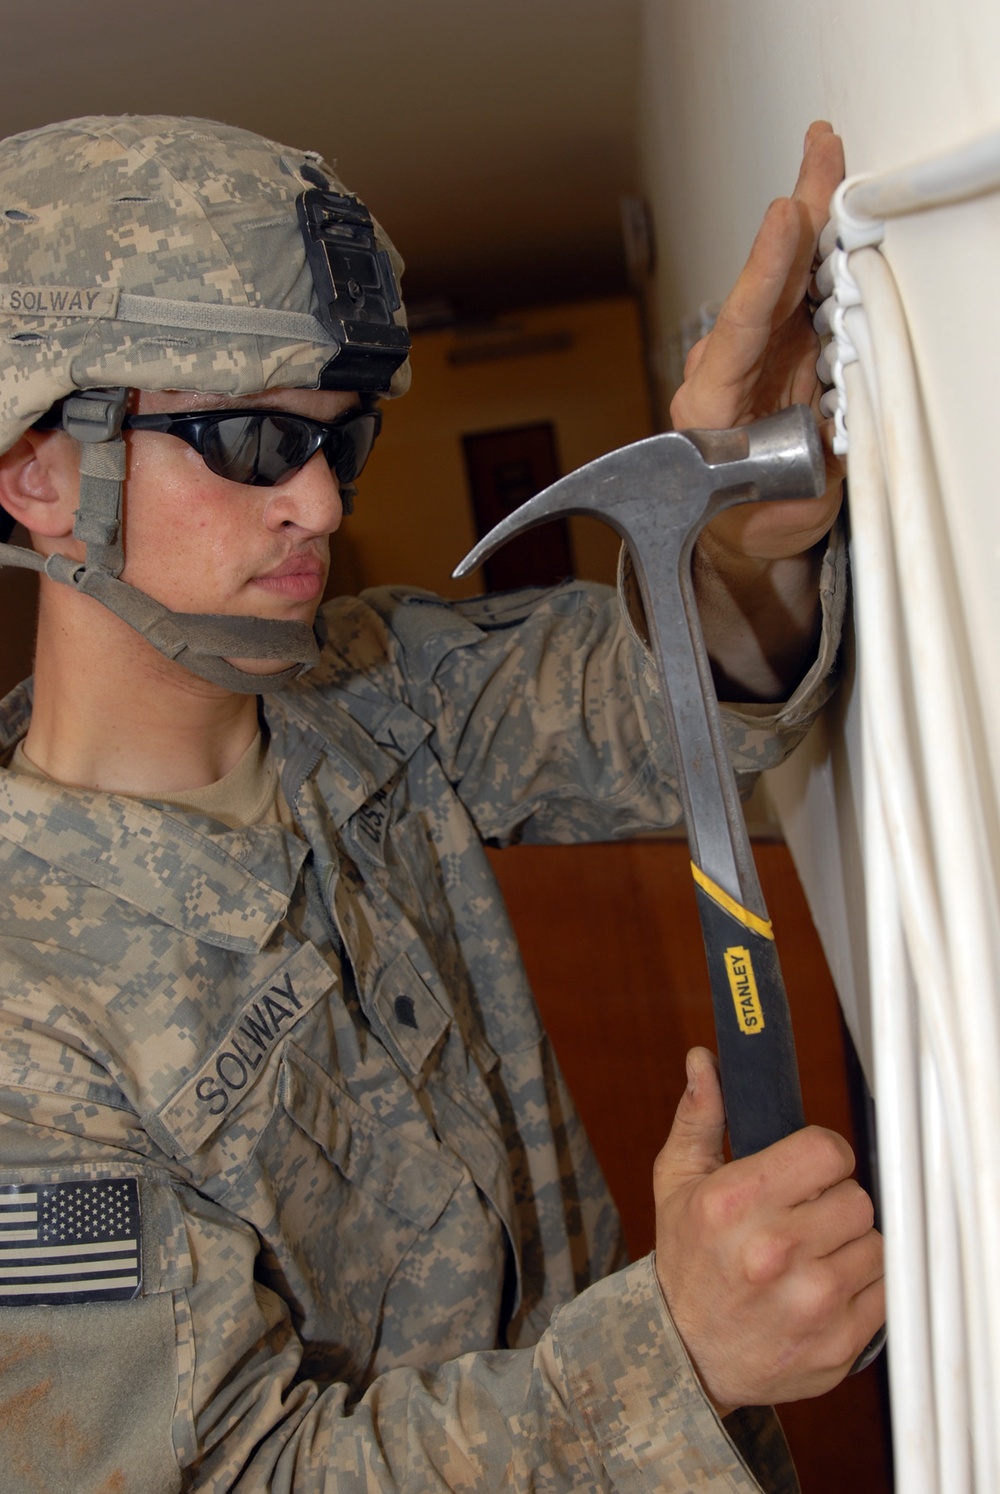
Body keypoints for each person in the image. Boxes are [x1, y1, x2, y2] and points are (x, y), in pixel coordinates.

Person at [0, 114, 881, 1492]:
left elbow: (657, 707)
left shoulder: (364, 687)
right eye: (246, 438)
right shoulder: (23, 1019)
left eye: (337, 443)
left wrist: (727, 536)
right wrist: (677, 1356)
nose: (317, 504)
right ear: (38, 472)